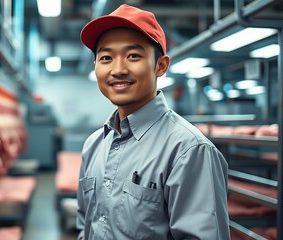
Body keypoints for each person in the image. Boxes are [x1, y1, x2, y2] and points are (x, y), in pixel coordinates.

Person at [76, 4, 230, 240]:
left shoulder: (188, 151)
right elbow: (86, 225)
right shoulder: (94, 145)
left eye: (133, 56)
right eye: (106, 57)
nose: (118, 69)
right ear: (96, 66)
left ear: (160, 66)